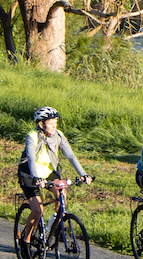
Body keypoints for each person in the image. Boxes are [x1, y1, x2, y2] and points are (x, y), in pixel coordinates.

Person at [19, 106, 90, 248]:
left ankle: (56, 226)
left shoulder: (58, 136)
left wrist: (83, 174)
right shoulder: (32, 136)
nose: (54, 126)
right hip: (29, 174)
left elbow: (70, 155)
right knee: (38, 210)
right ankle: (25, 240)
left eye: (55, 122)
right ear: (41, 124)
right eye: (51, 123)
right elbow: (31, 158)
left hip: (48, 172)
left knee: (62, 194)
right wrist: (37, 178)